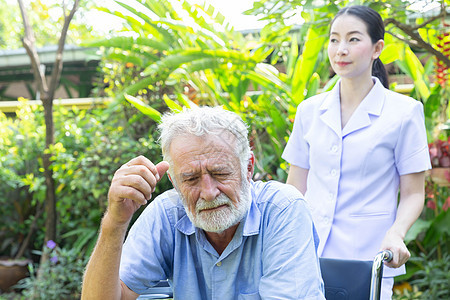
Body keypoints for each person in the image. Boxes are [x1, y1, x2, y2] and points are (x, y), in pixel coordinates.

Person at [81, 106, 325, 300]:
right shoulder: (166, 215)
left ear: (248, 168)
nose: (208, 193)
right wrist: (115, 222)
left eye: (220, 173)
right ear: (174, 181)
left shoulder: (283, 210)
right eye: (191, 178)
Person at [282, 5, 431, 299]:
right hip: (306, 254)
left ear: (377, 48)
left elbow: (414, 192)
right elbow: (295, 185)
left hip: (368, 257)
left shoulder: (404, 112)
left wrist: (396, 233)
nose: (341, 50)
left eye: (353, 39)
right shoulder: (309, 110)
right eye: (334, 40)